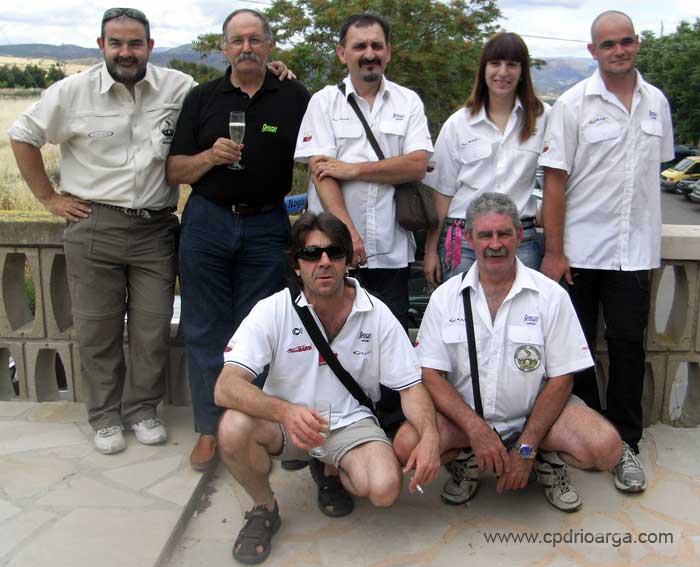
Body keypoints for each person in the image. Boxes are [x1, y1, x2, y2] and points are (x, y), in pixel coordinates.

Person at [8, 7, 196, 454]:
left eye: (135, 43)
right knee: (99, 331)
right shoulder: (72, 92)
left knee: (152, 329)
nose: (126, 52)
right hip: (95, 226)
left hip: (156, 229)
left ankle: (143, 410)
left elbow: (229, 95)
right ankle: (105, 417)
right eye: (116, 43)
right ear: (101, 46)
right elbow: (22, 135)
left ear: (151, 46)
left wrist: (271, 70)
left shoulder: (179, 88)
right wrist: (49, 199)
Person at [214, 212, 440, 564]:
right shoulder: (272, 310)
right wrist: (285, 412)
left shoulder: (376, 313)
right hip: (288, 423)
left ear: (348, 261)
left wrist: (430, 438)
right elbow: (226, 387)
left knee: (384, 489)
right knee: (232, 427)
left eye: (334, 253)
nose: (324, 262)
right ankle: (263, 508)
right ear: (296, 264)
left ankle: (329, 467)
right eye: (311, 254)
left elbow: (412, 388)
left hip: (351, 423)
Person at [394, 193, 622, 512]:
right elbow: (430, 375)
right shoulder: (446, 298)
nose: (495, 243)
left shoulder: (551, 296)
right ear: (470, 239)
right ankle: (468, 459)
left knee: (606, 447)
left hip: (535, 416)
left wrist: (527, 446)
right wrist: (475, 430)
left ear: (518, 235)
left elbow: (562, 379)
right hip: (466, 419)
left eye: (504, 233)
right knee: (406, 445)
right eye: (485, 234)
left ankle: (546, 461)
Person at [166, 9, 310, 472]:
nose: (245, 47)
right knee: (204, 328)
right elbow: (174, 171)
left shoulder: (293, 95)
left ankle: (256, 427)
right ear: (224, 48)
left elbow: (320, 152)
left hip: (267, 225)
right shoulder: (202, 97)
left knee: (263, 332)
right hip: (207, 221)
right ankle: (210, 429)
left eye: (254, 39)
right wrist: (209, 156)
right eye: (236, 40)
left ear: (269, 45)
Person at [539, 10, 674, 493]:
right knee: (575, 352)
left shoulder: (657, 103)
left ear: (636, 44)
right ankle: (589, 429)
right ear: (592, 51)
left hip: (635, 250)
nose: (619, 50)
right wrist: (554, 252)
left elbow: (650, 175)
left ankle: (626, 442)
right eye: (608, 44)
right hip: (580, 250)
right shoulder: (573, 105)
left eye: (626, 41)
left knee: (627, 347)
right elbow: (554, 182)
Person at [294, 13, 433, 330]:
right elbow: (322, 174)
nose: (369, 54)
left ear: (388, 52)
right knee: (330, 340)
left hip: (390, 251)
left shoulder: (407, 102)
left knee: (388, 344)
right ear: (342, 53)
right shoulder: (324, 103)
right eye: (360, 46)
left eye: (376, 46)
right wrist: (349, 235)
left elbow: (416, 165)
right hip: (332, 254)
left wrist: (351, 169)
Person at [423, 32, 548, 287]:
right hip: (463, 240)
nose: (503, 72)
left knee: (521, 317)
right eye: (495, 64)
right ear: (483, 69)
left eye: (512, 65)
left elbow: (556, 181)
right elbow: (442, 193)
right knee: (461, 317)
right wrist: (430, 250)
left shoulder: (544, 119)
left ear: (523, 71)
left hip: (520, 239)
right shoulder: (459, 124)